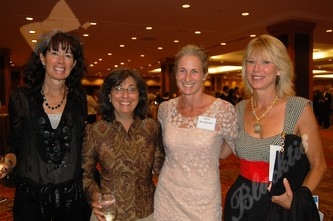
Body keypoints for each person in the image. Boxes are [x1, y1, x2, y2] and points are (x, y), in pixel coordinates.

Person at [224, 35, 327, 221]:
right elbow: (223, 149)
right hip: (240, 201)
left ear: (279, 69)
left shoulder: (298, 108)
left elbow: (318, 165)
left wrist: (297, 199)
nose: (256, 69)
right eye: (251, 61)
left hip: (278, 204)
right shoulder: (239, 109)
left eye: (266, 62)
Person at [0, 30, 90, 220]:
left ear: (74, 64)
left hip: (72, 198)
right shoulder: (21, 98)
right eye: (54, 53)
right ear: (42, 58)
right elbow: (14, 146)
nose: (60, 61)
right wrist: (7, 163)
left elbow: (82, 144)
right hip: (31, 199)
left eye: (68, 55)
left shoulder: (78, 98)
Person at [153, 44, 238, 220]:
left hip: (203, 202)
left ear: (205, 75)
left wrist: (213, 148)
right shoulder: (165, 109)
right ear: (175, 74)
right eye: (182, 71)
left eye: (194, 71)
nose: (188, 77)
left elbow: (233, 147)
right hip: (167, 197)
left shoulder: (223, 110)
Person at [82, 68, 165, 221]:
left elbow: (162, 169)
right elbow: (85, 174)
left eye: (132, 89)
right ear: (108, 95)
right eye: (118, 89)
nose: (125, 95)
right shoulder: (95, 131)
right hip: (107, 214)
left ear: (139, 95)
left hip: (146, 213)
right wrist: (96, 196)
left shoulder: (151, 128)